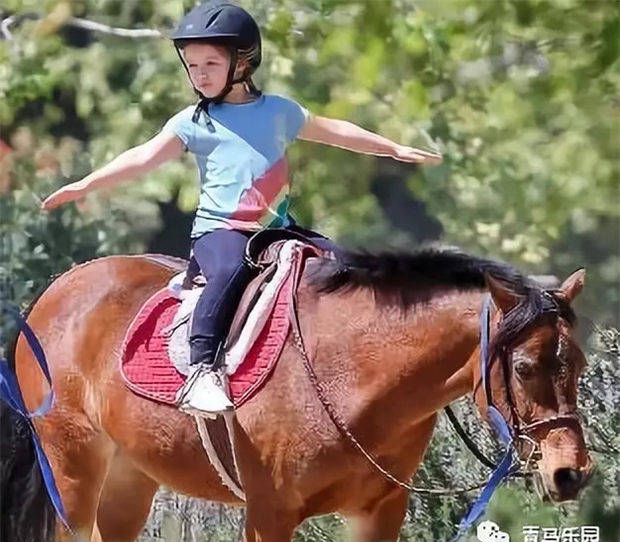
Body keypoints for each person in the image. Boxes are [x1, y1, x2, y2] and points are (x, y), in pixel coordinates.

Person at [41, 1, 443, 419]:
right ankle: (202, 369)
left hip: (278, 231)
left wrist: (391, 148)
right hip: (220, 235)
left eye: (211, 63)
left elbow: (334, 131)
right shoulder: (193, 123)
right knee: (231, 270)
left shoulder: (280, 112)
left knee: (342, 264)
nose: (199, 73)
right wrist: (86, 184)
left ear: (244, 62)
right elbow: (143, 157)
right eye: (193, 64)